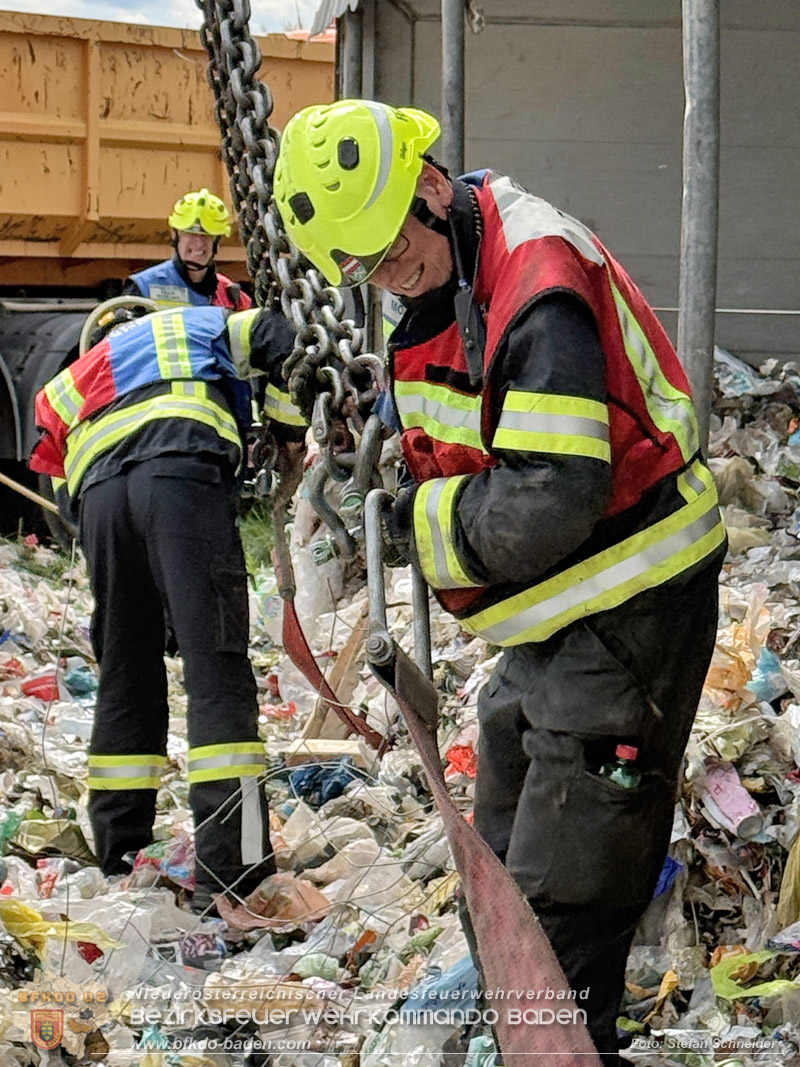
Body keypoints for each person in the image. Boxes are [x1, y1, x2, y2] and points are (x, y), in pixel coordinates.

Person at [272, 99, 726, 1062]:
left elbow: (554, 493)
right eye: (363, 266)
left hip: (628, 604)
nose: (386, 277)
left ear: (432, 188)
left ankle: (562, 1041)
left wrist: (420, 520)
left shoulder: (536, 278)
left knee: (562, 909)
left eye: (391, 249)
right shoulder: (450, 273)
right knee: (504, 869)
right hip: (557, 621)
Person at [29, 302, 304, 910]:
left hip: (100, 502)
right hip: (180, 472)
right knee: (217, 673)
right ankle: (232, 873)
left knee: (127, 677)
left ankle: (119, 853)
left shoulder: (70, 380)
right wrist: (287, 430)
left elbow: (59, 482)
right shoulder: (193, 324)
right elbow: (275, 334)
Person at [126, 189, 252, 311]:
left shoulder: (232, 296)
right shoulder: (143, 287)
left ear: (217, 241)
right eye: (190, 234)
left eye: (207, 235)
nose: (198, 243)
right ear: (175, 235)